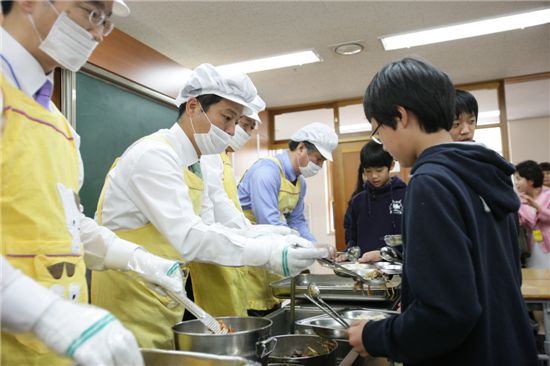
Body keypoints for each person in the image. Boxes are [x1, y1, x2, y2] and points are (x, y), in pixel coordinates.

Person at [91, 63, 327, 348]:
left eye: (235, 122)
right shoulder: (155, 155)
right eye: (226, 118)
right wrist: (268, 254)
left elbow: (218, 225)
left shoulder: (198, 162)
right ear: (193, 106)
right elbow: (189, 237)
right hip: (129, 291)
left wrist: (274, 236)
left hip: (164, 292)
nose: (229, 131)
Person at [0, 1, 183, 364]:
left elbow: (70, 223)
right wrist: (45, 314)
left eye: (106, 23)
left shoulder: (60, 127)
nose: (98, 33)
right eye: (91, 12)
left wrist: (139, 260)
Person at [346, 57, 538, 365]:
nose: (383, 143)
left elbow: (447, 314)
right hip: (505, 344)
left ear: (400, 115)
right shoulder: (483, 171)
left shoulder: (430, 182)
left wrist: (376, 336)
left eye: (378, 131)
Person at [238, 122, 338, 315]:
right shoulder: (266, 172)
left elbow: (297, 221)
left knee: (271, 311)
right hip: (249, 256)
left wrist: (316, 248)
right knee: (253, 312)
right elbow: (268, 224)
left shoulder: (300, 183)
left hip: (271, 253)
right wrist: (309, 250)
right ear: (301, 147)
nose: (319, 166)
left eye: (322, 162)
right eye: (318, 159)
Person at [194, 95, 266, 317]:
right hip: (207, 256)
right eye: (232, 120)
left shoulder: (219, 157)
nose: (235, 131)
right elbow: (205, 217)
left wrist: (250, 233)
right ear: (193, 107)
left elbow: (222, 202)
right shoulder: (160, 154)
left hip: (224, 246)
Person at [347, 141, 406, 263]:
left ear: (391, 165)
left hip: (398, 270)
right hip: (365, 270)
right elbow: (352, 239)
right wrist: (348, 253)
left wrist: (383, 254)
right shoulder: (358, 201)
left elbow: (414, 239)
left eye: (379, 170)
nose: (374, 176)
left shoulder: (406, 195)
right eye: (368, 171)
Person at [515, 160, 550, 268]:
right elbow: (522, 222)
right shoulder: (520, 200)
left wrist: (537, 207)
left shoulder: (548, 194)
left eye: (518, 179)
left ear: (530, 180)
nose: (516, 183)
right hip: (533, 247)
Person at [343, 164, 366, 248]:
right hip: (358, 251)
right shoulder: (356, 198)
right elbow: (348, 224)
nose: (371, 176)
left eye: (378, 170)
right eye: (366, 172)